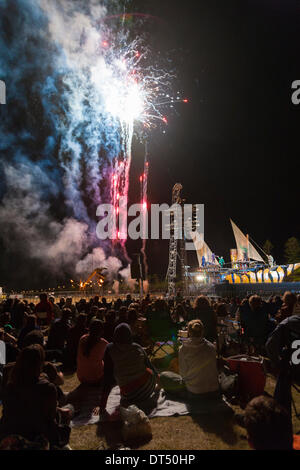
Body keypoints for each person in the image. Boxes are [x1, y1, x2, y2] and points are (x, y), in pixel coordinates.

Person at [0, 345, 71, 449]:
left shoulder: (10, 384)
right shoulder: (47, 387)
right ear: (40, 363)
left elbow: (22, 408)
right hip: (34, 438)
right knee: (70, 409)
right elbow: (49, 419)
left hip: (8, 433)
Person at [99, 323, 158, 413]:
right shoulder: (137, 347)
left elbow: (107, 379)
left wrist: (102, 406)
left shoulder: (110, 349)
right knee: (148, 370)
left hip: (128, 394)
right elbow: (151, 367)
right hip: (148, 389)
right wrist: (159, 382)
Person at [265, 310, 300, 417]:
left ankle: (280, 415)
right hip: (293, 368)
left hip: (292, 370)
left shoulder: (289, 322)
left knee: (284, 375)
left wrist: (277, 363)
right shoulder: (289, 322)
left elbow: (270, 345)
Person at [76, 319, 108, 385]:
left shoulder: (82, 339)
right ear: (101, 331)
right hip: (96, 379)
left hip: (81, 377)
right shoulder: (103, 343)